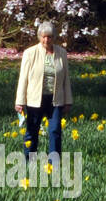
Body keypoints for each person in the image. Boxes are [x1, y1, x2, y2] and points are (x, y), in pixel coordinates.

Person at [14, 21, 73, 166]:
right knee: (32, 132)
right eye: (44, 37)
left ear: (54, 38)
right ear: (39, 37)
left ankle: (54, 164)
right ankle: (29, 162)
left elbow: (66, 78)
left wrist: (68, 101)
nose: (47, 40)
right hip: (35, 100)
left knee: (55, 131)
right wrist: (19, 101)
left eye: (50, 37)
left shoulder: (61, 53)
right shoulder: (30, 53)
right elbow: (23, 78)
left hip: (55, 100)